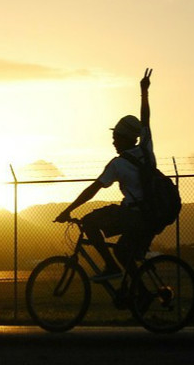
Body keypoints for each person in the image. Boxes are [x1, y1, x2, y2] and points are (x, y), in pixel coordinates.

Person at [55, 68, 157, 283]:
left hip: (133, 214)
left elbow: (93, 189)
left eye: (115, 137)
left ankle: (110, 266)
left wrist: (68, 210)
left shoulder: (118, 164)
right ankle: (142, 295)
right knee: (122, 252)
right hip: (152, 214)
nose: (113, 141)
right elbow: (145, 119)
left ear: (124, 138)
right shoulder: (146, 149)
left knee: (89, 222)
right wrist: (144, 92)